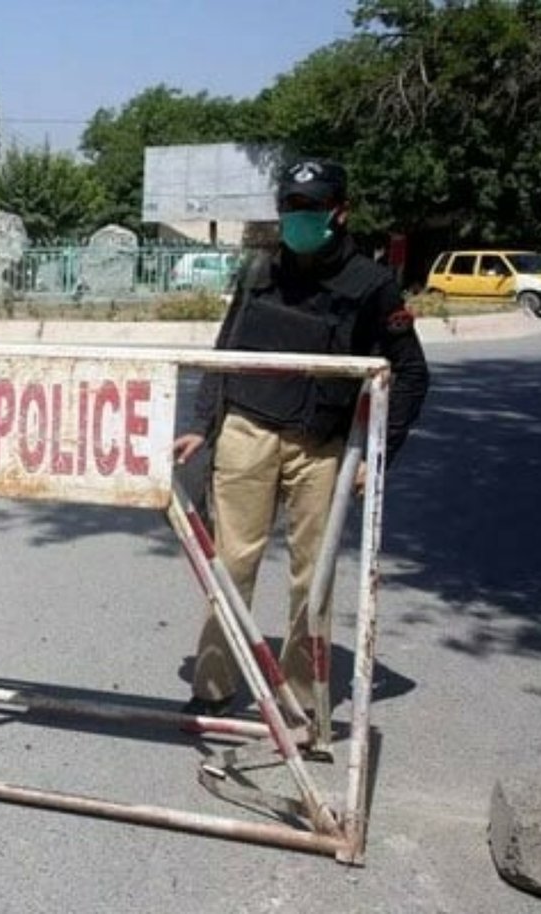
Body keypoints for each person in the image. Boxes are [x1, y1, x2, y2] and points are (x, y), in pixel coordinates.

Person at [171, 159, 430, 718]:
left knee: (313, 577)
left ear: (340, 212)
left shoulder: (371, 286)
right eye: (290, 208)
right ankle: (212, 686)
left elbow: (410, 375)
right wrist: (200, 425)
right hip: (247, 430)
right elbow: (224, 352)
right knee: (231, 563)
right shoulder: (261, 271)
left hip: (320, 446)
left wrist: (380, 457)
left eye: (310, 209)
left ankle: (302, 700)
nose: (298, 219)